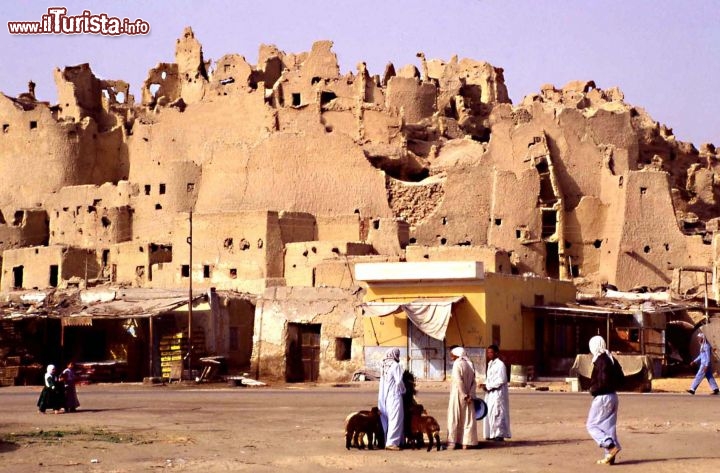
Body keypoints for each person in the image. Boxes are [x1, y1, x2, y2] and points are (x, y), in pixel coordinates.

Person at [586, 335, 623, 465]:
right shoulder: (611, 358)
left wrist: (593, 390)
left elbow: (602, 380)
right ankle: (610, 457)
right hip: (613, 396)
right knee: (608, 427)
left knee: (592, 425)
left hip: (603, 397)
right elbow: (621, 377)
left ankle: (610, 446)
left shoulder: (601, 360)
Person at [447, 346, 478, 449]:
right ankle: (466, 442)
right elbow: (474, 382)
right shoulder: (469, 365)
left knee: (454, 417)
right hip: (468, 396)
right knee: (467, 419)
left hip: (458, 395)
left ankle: (452, 442)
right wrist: (470, 395)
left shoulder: (457, 364)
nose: (451, 356)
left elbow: (458, 381)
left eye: (452, 354)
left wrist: (464, 395)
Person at [377, 348, 405, 450]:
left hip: (385, 396)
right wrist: (403, 390)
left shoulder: (383, 365)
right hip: (395, 395)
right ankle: (392, 443)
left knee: (388, 418)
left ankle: (390, 440)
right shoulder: (395, 366)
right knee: (396, 419)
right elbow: (399, 381)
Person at [483, 344, 511, 441]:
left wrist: (489, 387)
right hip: (490, 393)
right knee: (489, 412)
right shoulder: (490, 364)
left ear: (496, 353)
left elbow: (501, 380)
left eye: (491, 352)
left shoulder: (500, 365)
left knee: (497, 413)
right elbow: (489, 378)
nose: (489, 354)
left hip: (498, 393)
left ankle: (499, 434)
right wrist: (485, 385)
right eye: (488, 352)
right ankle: (491, 433)